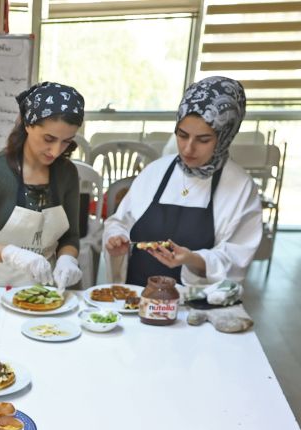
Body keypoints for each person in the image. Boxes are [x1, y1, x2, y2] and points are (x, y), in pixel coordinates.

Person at [103, 77, 261, 287]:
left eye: (203, 140)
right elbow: (119, 222)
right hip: (137, 300)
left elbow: (237, 260)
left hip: (196, 308)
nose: (188, 148)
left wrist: (192, 259)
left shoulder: (240, 187)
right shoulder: (156, 171)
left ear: (225, 136)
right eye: (182, 135)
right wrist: (117, 238)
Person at [0, 82, 85, 288]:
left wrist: (67, 259)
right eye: (49, 138)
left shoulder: (67, 173)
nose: (56, 151)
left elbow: (71, 237)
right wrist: (10, 254)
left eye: (66, 141)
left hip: (45, 291)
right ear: (28, 125)